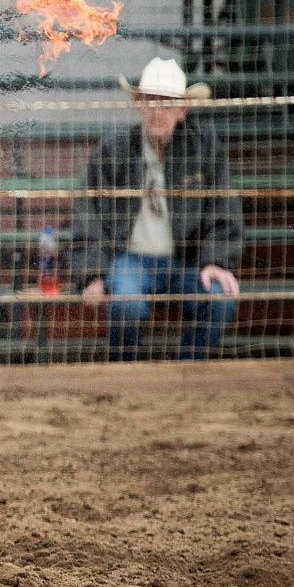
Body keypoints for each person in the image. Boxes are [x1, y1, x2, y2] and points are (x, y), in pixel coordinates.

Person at [72, 57, 242, 361]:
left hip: (189, 260)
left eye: (168, 102)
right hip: (130, 260)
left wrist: (216, 260)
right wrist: (92, 273)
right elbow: (88, 212)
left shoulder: (205, 148)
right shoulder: (114, 150)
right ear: (138, 105)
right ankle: (126, 378)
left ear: (182, 110)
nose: (158, 111)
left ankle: (188, 374)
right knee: (125, 302)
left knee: (220, 300)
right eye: (151, 101)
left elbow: (224, 209)